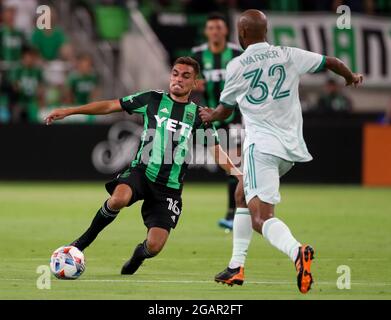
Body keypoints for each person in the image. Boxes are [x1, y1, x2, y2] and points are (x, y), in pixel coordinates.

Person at [199, 10, 363, 294]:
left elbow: (225, 109)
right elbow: (331, 62)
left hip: (261, 147)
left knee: (261, 218)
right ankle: (236, 267)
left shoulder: (237, 65)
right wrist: (350, 77)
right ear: (266, 32)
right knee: (241, 192)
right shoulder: (288, 54)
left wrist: (210, 116)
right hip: (290, 149)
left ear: (241, 35)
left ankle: (297, 252)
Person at [45, 57, 243, 275]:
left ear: (194, 83)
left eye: (186, 76)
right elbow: (111, 105)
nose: (179, 79)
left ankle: (137, 257)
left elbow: (217, 152)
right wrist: (70, 111)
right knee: (118, 198)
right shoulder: (152, 99)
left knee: (154, 246)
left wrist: (239, 175)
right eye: (175, 73)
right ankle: (79, 244)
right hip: (142, 172)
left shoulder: (199, 116)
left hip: (169, 188)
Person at [191, 12, 243, 231]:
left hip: (235, 116)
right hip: (208, 116)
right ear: (206, 31)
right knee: (229, 166)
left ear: (226, 30)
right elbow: (185, 79)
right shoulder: (198, 55)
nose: (215, 31)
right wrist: (195, 84)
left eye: (218, 27)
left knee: (235, 164)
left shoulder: (238, 54)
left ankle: (234, 213)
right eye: (211, 28)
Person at [10, 47, 44, 123]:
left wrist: (39, 94)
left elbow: (41, 88)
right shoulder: (18, 70)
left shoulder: (37, 71)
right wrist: (22, 89)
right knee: (16, 115)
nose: (30, 59)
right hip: (20, 100)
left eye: (32, 57)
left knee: (35, 116)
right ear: (23, 57)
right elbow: (15, 87)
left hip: (33, 102)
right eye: (28, 57)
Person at [66, 54, 100, 123]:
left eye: (88, 65)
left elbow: (95, 93)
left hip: (88, 108)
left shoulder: (93, 77)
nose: (86, 67)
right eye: (84, 65)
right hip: (76, 107)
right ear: (79, 65)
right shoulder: (74, 78)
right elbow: (69, 94)